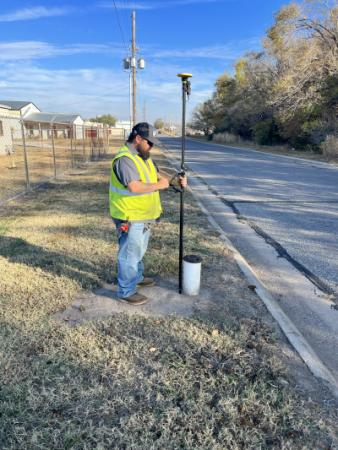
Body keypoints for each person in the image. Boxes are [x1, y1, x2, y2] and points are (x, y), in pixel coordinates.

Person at [109, 122, 187, 305]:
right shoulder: (125, 159)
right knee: (130, 253)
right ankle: (126, 291)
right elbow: (134, 186)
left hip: (143, 215)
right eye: (149, 142)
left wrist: (177, 180)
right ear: (138, 139)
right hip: (130, 215)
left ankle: (136, 277)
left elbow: (159, 174)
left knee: (139, 250)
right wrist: (160, 185)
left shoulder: (143, 156)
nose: (151, 146)